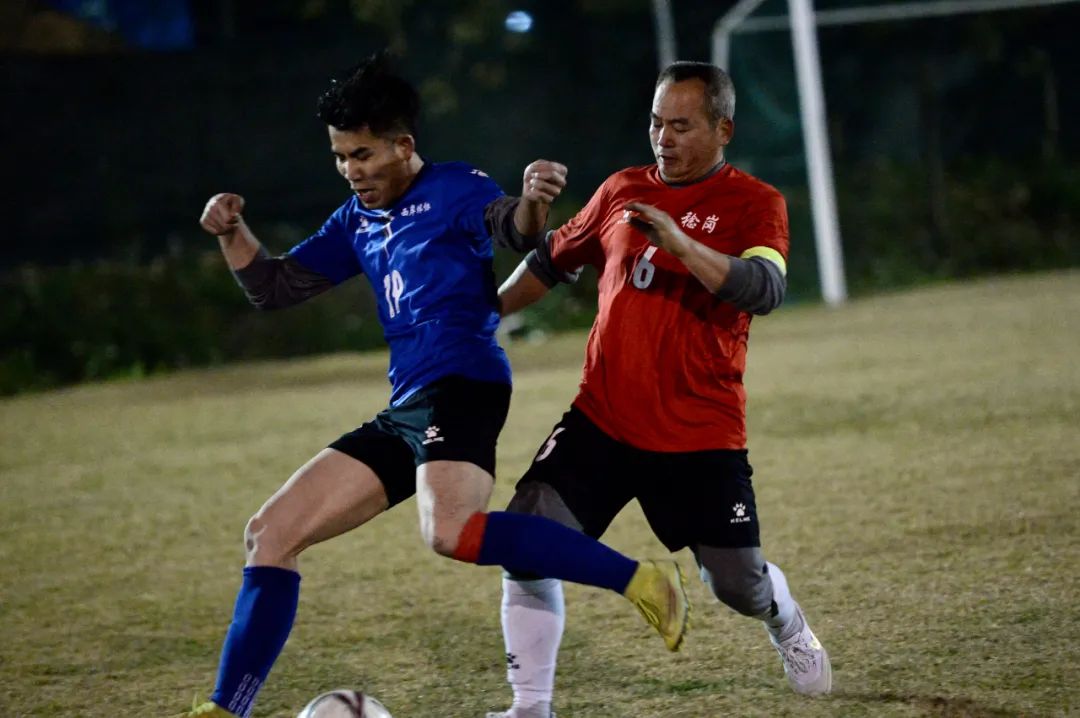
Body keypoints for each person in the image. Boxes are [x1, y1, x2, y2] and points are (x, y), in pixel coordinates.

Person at [178, 54, 690, 718]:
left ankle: (643, 581)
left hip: (465, 384)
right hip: (408, 406)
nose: (351, 171)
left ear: (402, 145)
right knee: (269, 532)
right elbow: (274, 289)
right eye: (340, 158)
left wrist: (535, 203)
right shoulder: (355, 220)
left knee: (449, 531)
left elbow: (512, 228)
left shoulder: (455, 189)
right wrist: (232, 233)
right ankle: (226, 709)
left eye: (361, 155)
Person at [488, 61, 832, 718]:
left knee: (735, 586)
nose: (662, 138)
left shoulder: (755, 203)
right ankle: (530, 706)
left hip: (699, 432)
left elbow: (765, 289)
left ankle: (784, 620)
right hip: (603, 419)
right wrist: (480, 315)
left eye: (680, 125)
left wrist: (678, 240)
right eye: (655, 122)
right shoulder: (621, 188)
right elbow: (548, 262)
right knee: (524, 540)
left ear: (722, 128)